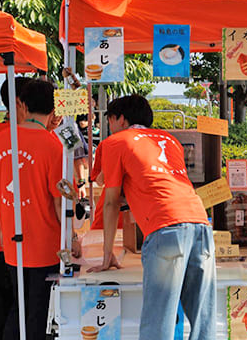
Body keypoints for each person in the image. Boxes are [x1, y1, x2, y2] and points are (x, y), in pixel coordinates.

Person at [88, 95, 215, 340]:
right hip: (200, 222)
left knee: (159, 319)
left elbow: (111, 201)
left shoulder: (117, 142)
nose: (110, 127)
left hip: (165, 228)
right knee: (203, 318)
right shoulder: (170, 139)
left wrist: (107, 255)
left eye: (111, 121)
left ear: (121, 119)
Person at [0, 79, 63, 340]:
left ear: (23, 105)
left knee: (18, 308)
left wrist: (7, 227)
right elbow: (59, 201)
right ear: (53, 110)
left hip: (12, 242)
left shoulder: (1, 139)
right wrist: (70, 236)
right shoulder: (54, 145)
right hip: (45, 243)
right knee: (37, 312)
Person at [0, 76, 31, 340]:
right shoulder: (7, 135)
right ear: (20, 104)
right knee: (14, 300)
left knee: (4, 295)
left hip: (2, 232)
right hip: (11, 233)